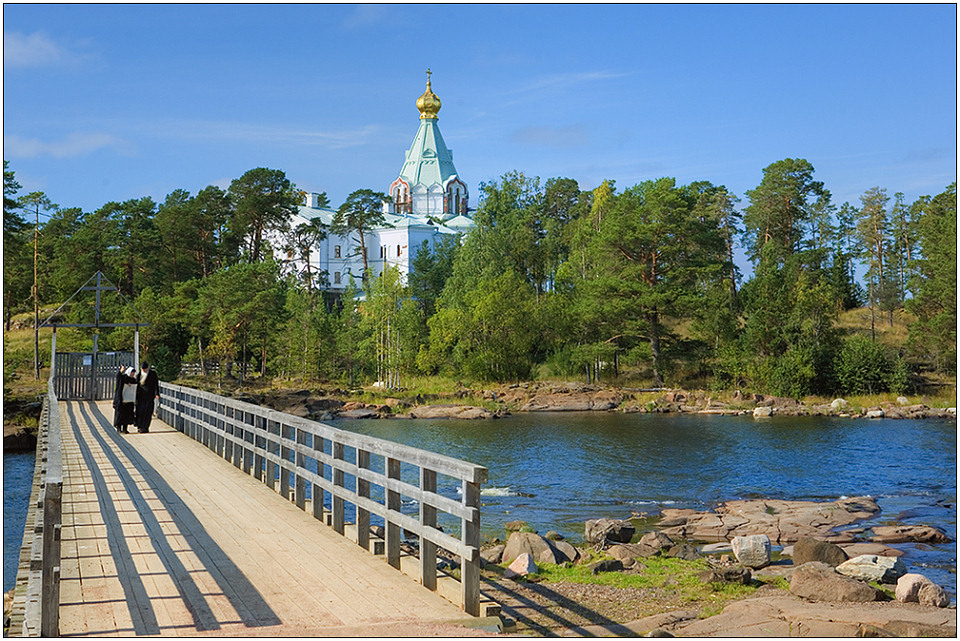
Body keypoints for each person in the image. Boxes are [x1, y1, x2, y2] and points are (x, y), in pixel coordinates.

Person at [135, 362, 160, 433]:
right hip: (140, 396)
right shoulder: (139, 375)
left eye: (145, 369)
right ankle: (140, 426)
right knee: (140, 412)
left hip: (149, 396)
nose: (144, 371)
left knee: (148, 412)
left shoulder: (153, 374)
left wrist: (156, 393)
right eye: (142, 369)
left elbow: (156, 384)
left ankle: (145, 427)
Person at [113, 366, 138, 433]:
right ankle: (119, 428)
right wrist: (121, 371)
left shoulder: (133, 380)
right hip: (121, 401)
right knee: (120, 415)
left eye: (133, 373)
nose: (132, 374)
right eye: (131, 373)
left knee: (127, 415)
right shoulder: (123, 378)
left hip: (129, 401)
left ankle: (125, 428)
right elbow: (119, 379)